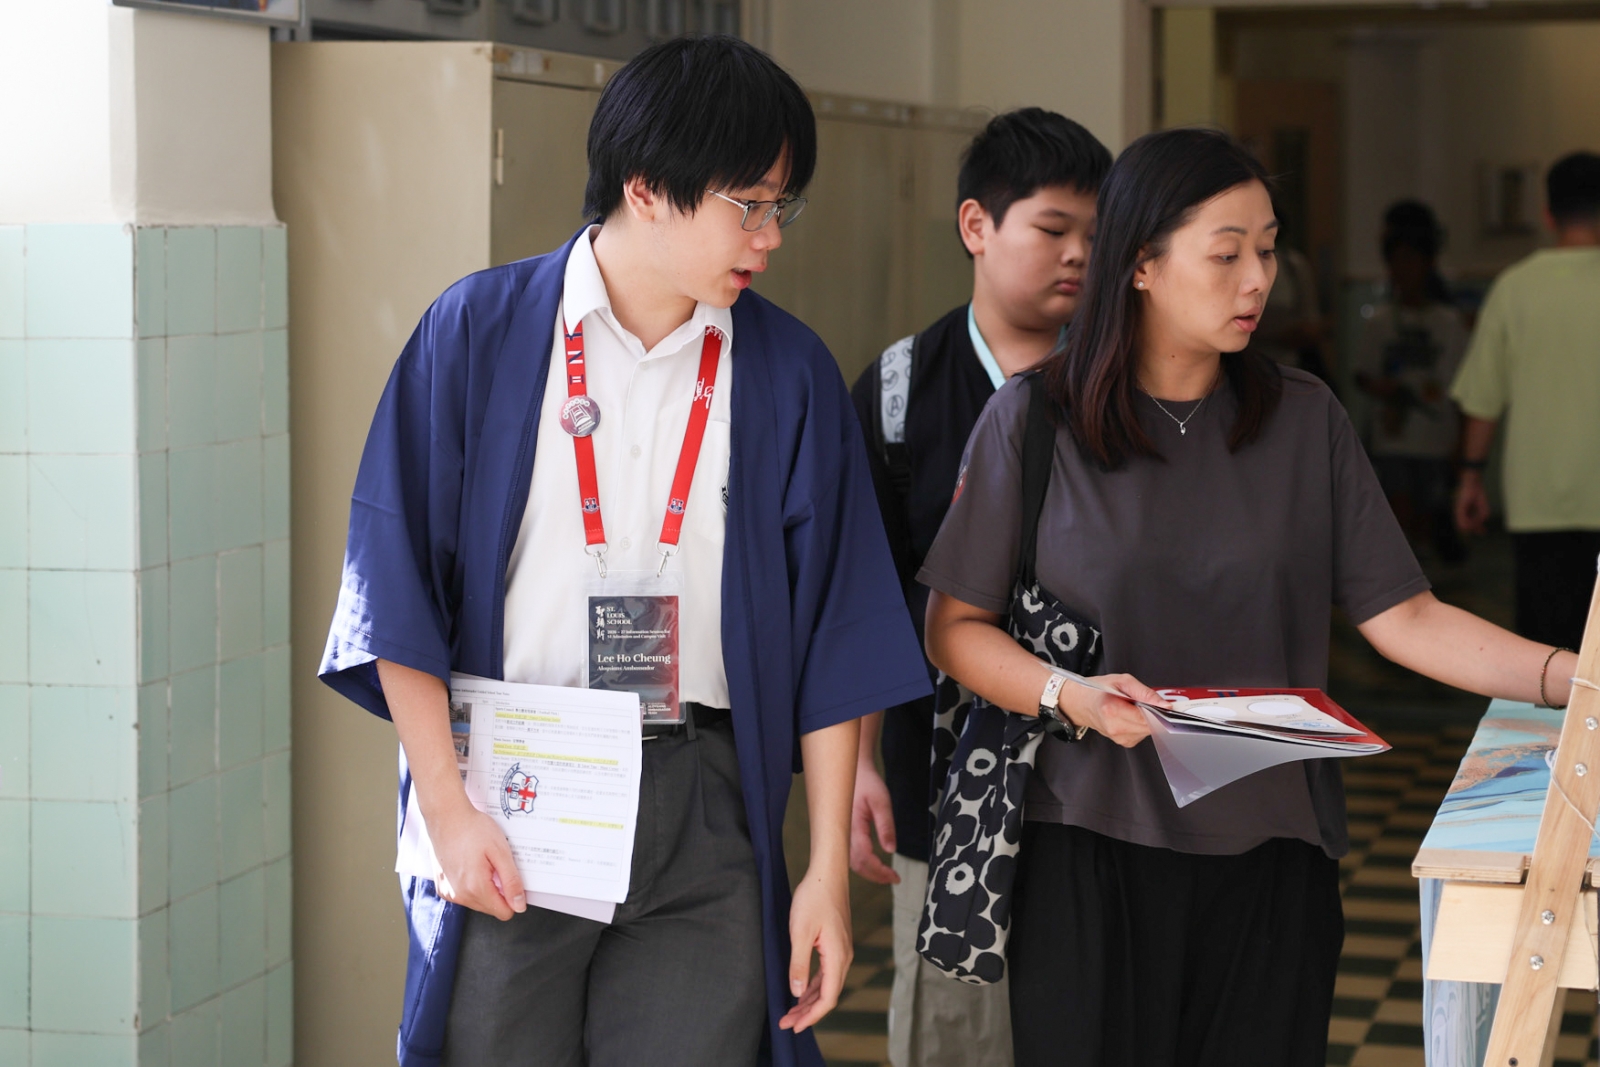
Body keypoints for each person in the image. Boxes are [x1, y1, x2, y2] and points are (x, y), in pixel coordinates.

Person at [317, 36, 930, 1067]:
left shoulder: (788, 373)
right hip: (515, 788)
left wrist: (824, 867)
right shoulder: (475, 333)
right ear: (645, 188)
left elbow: (838, 631)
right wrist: (448, 809)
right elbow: (394, 585)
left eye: (782, 206)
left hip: (703, 797)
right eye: (749, 204)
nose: (771, 236)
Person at [917, 127, 1582, 1067]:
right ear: (1141, 264)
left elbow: (1406, 616)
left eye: (1267, 250)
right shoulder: (1033, 421)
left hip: (1275, 848)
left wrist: (1575, 677)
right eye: (1226, 254)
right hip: (1087, 845)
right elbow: (955, 627)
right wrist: (1072, 695)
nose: (1258, 279)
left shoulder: (1304, 418)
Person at [847, 107, 1111, 1067]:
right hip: (941, 778)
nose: (1078, 255)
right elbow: (864, 598)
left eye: (1096, 235)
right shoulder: (897, 392)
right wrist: (859, 766)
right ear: (976, 226)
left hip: (1101, 782)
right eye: (1053, 229)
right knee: (953, 1030)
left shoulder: (1125, 390)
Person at [1453, 151, 1600, 650]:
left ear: (1547, 213)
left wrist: (1471, 477)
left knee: (1548, 651)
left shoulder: (1514, 287)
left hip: (1537, 503)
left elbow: (1483, 398)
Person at [1354, 200, 1469, 561]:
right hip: (1393, 435)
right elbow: (1362, 373)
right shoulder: (1380, 321)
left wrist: (1462, 446)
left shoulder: (1448, 322)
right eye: (1397, 261)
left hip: (1435, 436)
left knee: (1428, 511)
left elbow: (1461, 387)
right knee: (1397, 505)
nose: (1404, 270)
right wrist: (1384, 390)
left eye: (1411, 260)